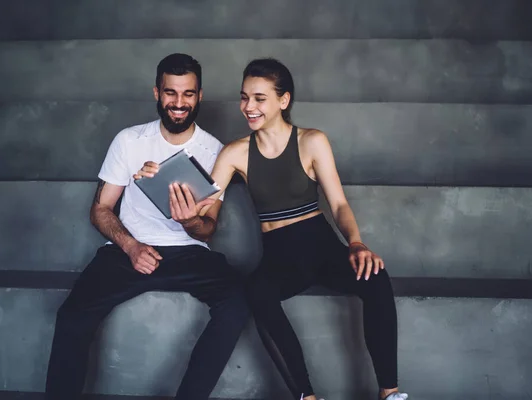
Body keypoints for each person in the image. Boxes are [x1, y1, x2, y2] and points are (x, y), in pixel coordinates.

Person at [137, 58, 408, 400]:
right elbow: (204, 216)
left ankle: (390, 393)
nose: (248, 107)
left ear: (284, 100)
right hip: (279, 256)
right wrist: (161, 182)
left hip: (321, 245)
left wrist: (355, 243)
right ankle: (306, 397)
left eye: (259, 98)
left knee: (377, 278)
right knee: (256, 291)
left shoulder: (312, 141)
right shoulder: (234, 153)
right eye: (244, 97)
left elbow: (338, 205)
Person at [44, 53, 249, 400]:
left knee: (237, 304)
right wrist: (130, 246)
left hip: (189, 254)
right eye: (171, 93)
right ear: (157, 93)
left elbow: (208, 228)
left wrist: (189, 221)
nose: (179, 103)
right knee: (72, 317)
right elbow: (101, 209)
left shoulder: (215, 150)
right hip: (128, 251)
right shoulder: (129, 141)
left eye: (188, 94)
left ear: (199, 95)